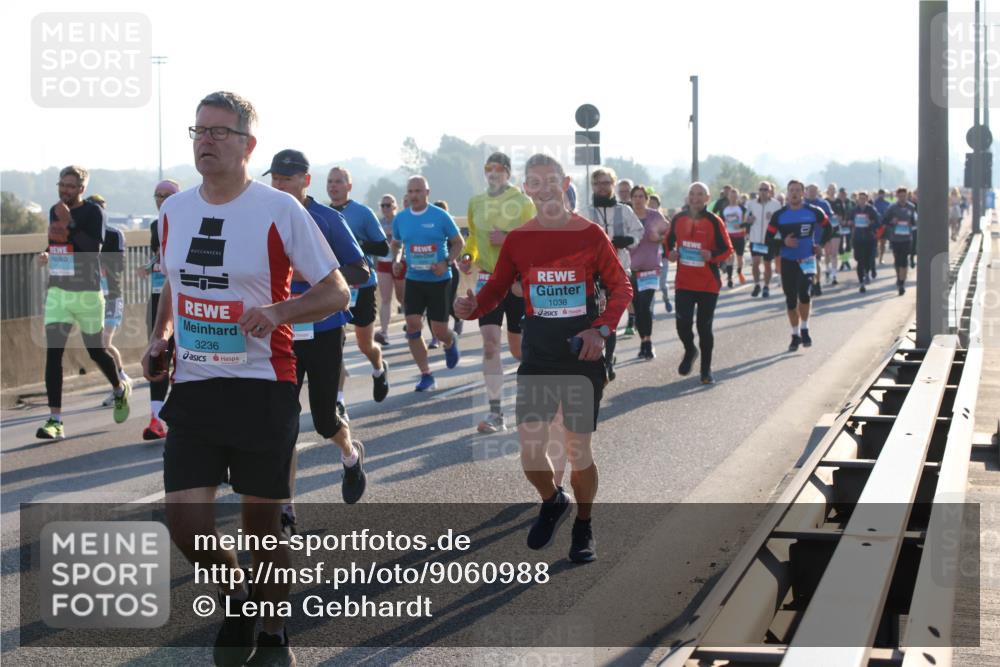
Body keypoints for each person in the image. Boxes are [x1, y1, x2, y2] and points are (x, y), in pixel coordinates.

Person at [142, 91, 350, 667]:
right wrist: (160, 337)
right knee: (185, 524)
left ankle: (274, 632)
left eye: (219, 132)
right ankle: (237, 599)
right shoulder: (173, 211)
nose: (205, 141)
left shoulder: (279, 209)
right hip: (195, 386)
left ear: (247, 145)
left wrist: (279, 312)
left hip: (264, 384)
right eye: (199, 131)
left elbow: (336, 291)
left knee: (264, 530)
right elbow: (174, 282)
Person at [454, 153, 632, 563]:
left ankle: (584, 524)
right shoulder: (519, 240)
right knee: (531, 453)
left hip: (580, 355)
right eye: (535, 181)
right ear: (527, 189)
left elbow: (621, 287)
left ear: (565, 183)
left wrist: (601, 330)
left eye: (551, 179)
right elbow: (497, 290)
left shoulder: (589, 234)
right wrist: (473, 308)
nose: (544, 187)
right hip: (538, 355)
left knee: (577, 450)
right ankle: (554, 500)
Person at [268, 149, 371, 536]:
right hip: (282, 331)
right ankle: (286, 509)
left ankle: (350, 454)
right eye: (275, 178)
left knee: (324, 419)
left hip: (324, 330)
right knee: (284, 423)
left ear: (305, 181)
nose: (280, 185)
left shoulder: (327, 219)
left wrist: (316, 275)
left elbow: (360, 271)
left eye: (287, 179)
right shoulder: (263, 216)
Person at [36, 166, 131, 440]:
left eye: (70, 186)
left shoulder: (93, 213)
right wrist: (46, 254)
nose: (64, 190)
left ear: (81, 189)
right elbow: (57, 243)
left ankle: (119, 388)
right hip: (59, 292)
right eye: (61, 184)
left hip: (88, 293)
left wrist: (71, 223)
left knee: (96, 351)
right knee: (53, 354)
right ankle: (55, 420)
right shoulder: (55, 211)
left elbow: (92, 250)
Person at [460, 152, 536, 433]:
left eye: (498, 168)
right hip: (488, 280)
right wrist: (468, 256)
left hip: (516, 282)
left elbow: (534, 239)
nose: (492, 173)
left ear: (508, 172)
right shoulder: (476, 202)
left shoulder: (523, 203)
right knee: (490, 344)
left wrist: (507, 238)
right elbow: (473, 238)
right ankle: (496, 413)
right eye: (487, 168)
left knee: (519, 351)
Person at [326, 166, 390, 413]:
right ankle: (339, 400)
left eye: (338, 181)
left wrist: (355, 244)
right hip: (333, 287)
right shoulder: (322, 213)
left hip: (362, 285)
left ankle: (379, 368)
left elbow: (383, 248)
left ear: (349, 186)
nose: (333, 186)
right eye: (330, 181)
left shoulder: (363, 213)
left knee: (365, 345)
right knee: (335, 346)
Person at [391, 175, 464, 391]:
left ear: (427, 193)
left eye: (418, 191)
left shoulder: (440, 216)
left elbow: (458, 242)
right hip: (414, 279)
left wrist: (446, 262)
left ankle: (450, 341)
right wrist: (396, 260)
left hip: (439, 280)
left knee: (439, 331)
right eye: (410, 192)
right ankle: (426, 374)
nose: (414, 196)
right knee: (413, 325)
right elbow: (396, 244)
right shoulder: (401, 218)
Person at [665, 182, 733, 384]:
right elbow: (667, 243)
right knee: (682, 324)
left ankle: (706, 369)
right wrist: (670, 254)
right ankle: (690, 350)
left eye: (700, 194)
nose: (695, 198)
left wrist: (711, 255)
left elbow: (727, 249)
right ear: (688, 197)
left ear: (707, 198)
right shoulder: (678, 219)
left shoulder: (714, 221)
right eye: (692, 194)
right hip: (684, 283)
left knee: (704, 327)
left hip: (708, 284)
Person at [581, 167, 643, 381]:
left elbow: (638, 231)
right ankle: (598, 358)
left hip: (618, 270)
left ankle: (608, 360)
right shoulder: (586, 212)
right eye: (598, 183)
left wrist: (629, 240)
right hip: (593, 274)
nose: (602, 187)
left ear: (613, 185)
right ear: (593, 186)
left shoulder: (624, 211)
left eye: (606, 183)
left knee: (611, 317)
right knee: (595, 317)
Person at [766, 180, 832, 351]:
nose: (794, 193)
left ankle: (805, 328)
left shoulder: (814, 211)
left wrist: (820, 245)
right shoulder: (779, 215)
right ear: (787, 193)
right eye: (791, 190)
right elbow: (768, 239)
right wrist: (784, 242)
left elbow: (829, 228)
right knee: (790, 300)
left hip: (807, 259)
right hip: (788, 261)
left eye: (797, 190)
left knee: (804, 294)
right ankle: (795, 334)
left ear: (803, 193)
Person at [138, 179, 180, 440]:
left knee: (183, 357)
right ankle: (155, 419)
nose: (162, 200)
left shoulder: (188, 219)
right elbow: (160, 257)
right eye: (158, 195)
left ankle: (179, 415)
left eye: (167, 195)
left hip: (184, 297)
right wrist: (149, 265)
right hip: (159, 296)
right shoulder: (156, 225)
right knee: (158, 353)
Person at [85, 195, 133, 407]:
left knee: (104, 343)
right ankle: (121, 379)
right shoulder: (82, 235)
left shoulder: (114, 234)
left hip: (111, 295)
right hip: (91, 298)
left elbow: (119, 266)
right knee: (100, 347)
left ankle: (120, 384)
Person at [629, 185, 670, 359]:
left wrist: (659, 238)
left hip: (650, 269)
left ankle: (648, 342)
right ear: (631, 199)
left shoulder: (654, 216)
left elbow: (670, 233)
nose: (638, 199)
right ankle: (643, 341)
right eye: (635, 196)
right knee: (637, 308)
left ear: (646, 199)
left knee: (645, 306)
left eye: (641, 196)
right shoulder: (627, 216)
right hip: (631, 269)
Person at [374, 194, 404, 345]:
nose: (385, 208)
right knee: (385, 299)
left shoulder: (400, 220)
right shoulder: (378, 223)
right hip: (383, 263)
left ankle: (412, 323)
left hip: (399, 263)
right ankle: (384, 332)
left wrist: (391, 234)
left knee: (402, 298)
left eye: (388, 205)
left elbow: (404, 240)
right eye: (383, 205)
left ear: (394, 206)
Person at [745, 181, 781, 298]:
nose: (763, 192)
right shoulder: (751, 203)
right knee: (755, 263)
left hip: (769, 239)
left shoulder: (776, 204)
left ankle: (766, 286)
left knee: (767, 264)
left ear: (770, 191)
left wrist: (773, 218)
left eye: (765, 190)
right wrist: (749, 219)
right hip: (755, 238)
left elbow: (780, 221)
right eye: (761, 189)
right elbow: (746, 218)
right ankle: (757, 285)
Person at [882, 186, 918, 295]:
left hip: (907, 238)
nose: (903, 198)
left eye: (904, 196)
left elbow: (914, 221)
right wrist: (892, 222)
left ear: (907, 196)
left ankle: (902, 283)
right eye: (901, 196)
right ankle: (899, 277)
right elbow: (885, 221)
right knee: (897, 260)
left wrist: (911, 224)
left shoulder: (911, 207)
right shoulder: (892, 208)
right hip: (895, 238)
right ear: (897, 196)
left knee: (904, 260)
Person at [850, 191, 881, 293]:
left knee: (867, 260)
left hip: (869, 238)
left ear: (867, 199)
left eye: (864, 198)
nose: (862, 200)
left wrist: (871, 223)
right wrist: (849, 223)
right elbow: (847, 221)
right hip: (857, 238)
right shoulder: (854, 210)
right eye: (860, 198)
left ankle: (867, 273)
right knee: (859, 260)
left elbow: (878, 222)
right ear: (857, 200)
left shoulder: (871, 209)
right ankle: (861, 282)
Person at [720, 188, 748, 287]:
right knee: (729, 257)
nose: (733, 198)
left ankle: (739, 272)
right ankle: (730, 278)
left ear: (738, 197)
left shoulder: (742, 208)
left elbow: (748, 221)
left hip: (740, 235)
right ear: (728, 197)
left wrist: (741, 225)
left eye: (735, 196)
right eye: (731, 196)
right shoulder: (725, 209)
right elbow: (721, 222)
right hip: (729, 236)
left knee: (740, 258)